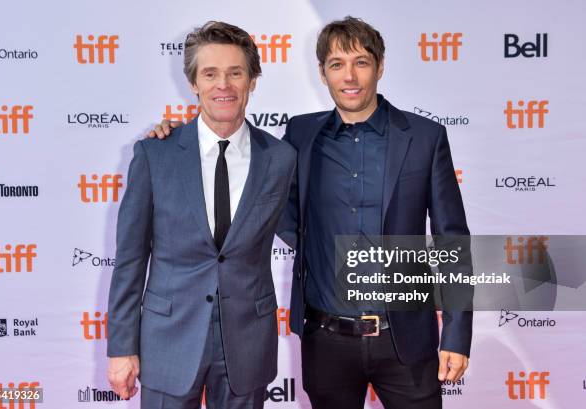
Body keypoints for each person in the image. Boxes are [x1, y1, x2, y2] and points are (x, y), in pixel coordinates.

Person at [150, 16, 471, 409]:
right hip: (327, 342)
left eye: (361, 62)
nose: (349, 76)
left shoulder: (425, 137)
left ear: (381, 66)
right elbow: (245, 169)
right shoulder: (300, 136)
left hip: (406, 339)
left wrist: (456, 333)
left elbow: (452, 239)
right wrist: (172, 136)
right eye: (337, 64)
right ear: (322, 73)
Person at [107, 21, 296, 409]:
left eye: (235, 72)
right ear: (193, 82)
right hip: (167, 341)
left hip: (248, 343)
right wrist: (121, 347)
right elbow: (129, 260)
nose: (222, 85)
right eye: (210, 74)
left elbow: (307, 233)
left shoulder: (281, 159)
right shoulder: (154, 155)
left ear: (253, 80)